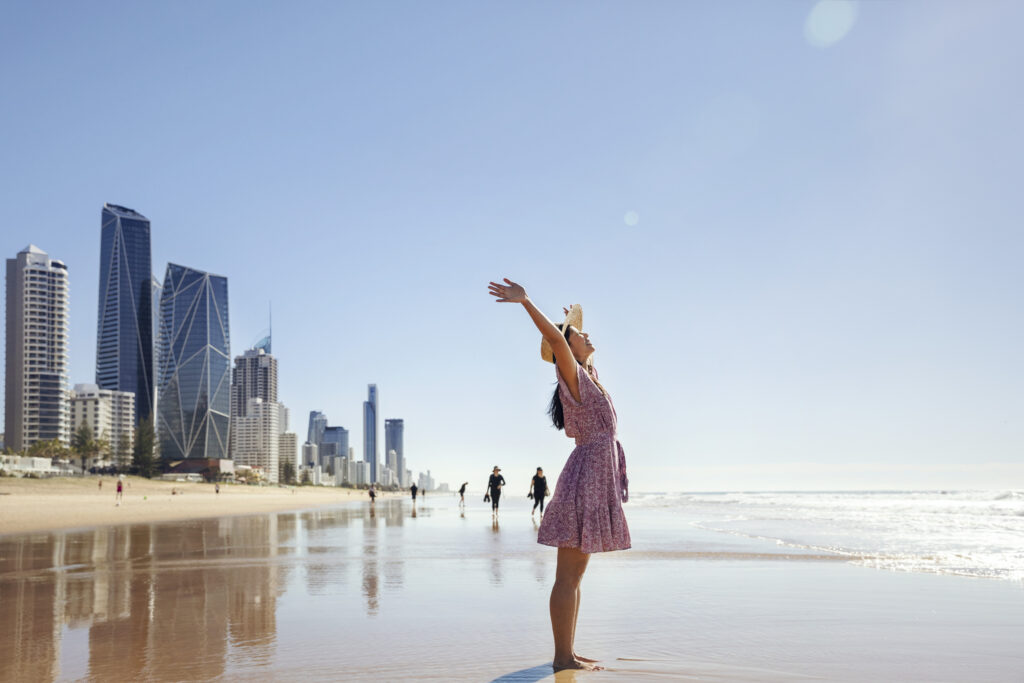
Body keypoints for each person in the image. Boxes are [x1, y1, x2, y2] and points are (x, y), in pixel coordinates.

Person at [488, 279, 630, 673]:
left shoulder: (588, 375)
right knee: (568, 576)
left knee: (576, 575)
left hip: (593, 476)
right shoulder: (571, 372)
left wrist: (569, 324)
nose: (587, 333)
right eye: (579, 334)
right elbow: (556, 339)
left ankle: (568, 650)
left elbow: (568, 341)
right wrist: (527, 303)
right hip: (586, 479)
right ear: (566, 349)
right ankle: (561, 657)